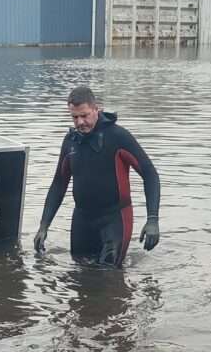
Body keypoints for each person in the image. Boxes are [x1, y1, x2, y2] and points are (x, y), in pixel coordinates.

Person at [33, 86, 161, 267]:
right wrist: (44, 225)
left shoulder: (118, 137)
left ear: (96, 109)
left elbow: (150, 174)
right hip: (82, 219)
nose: (80, 122)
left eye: (84, 115)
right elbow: (58, 184)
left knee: (109, 275)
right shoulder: (70, 142)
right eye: (75, 117)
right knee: (78, 272)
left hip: (115, 219)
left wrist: (152, 220)